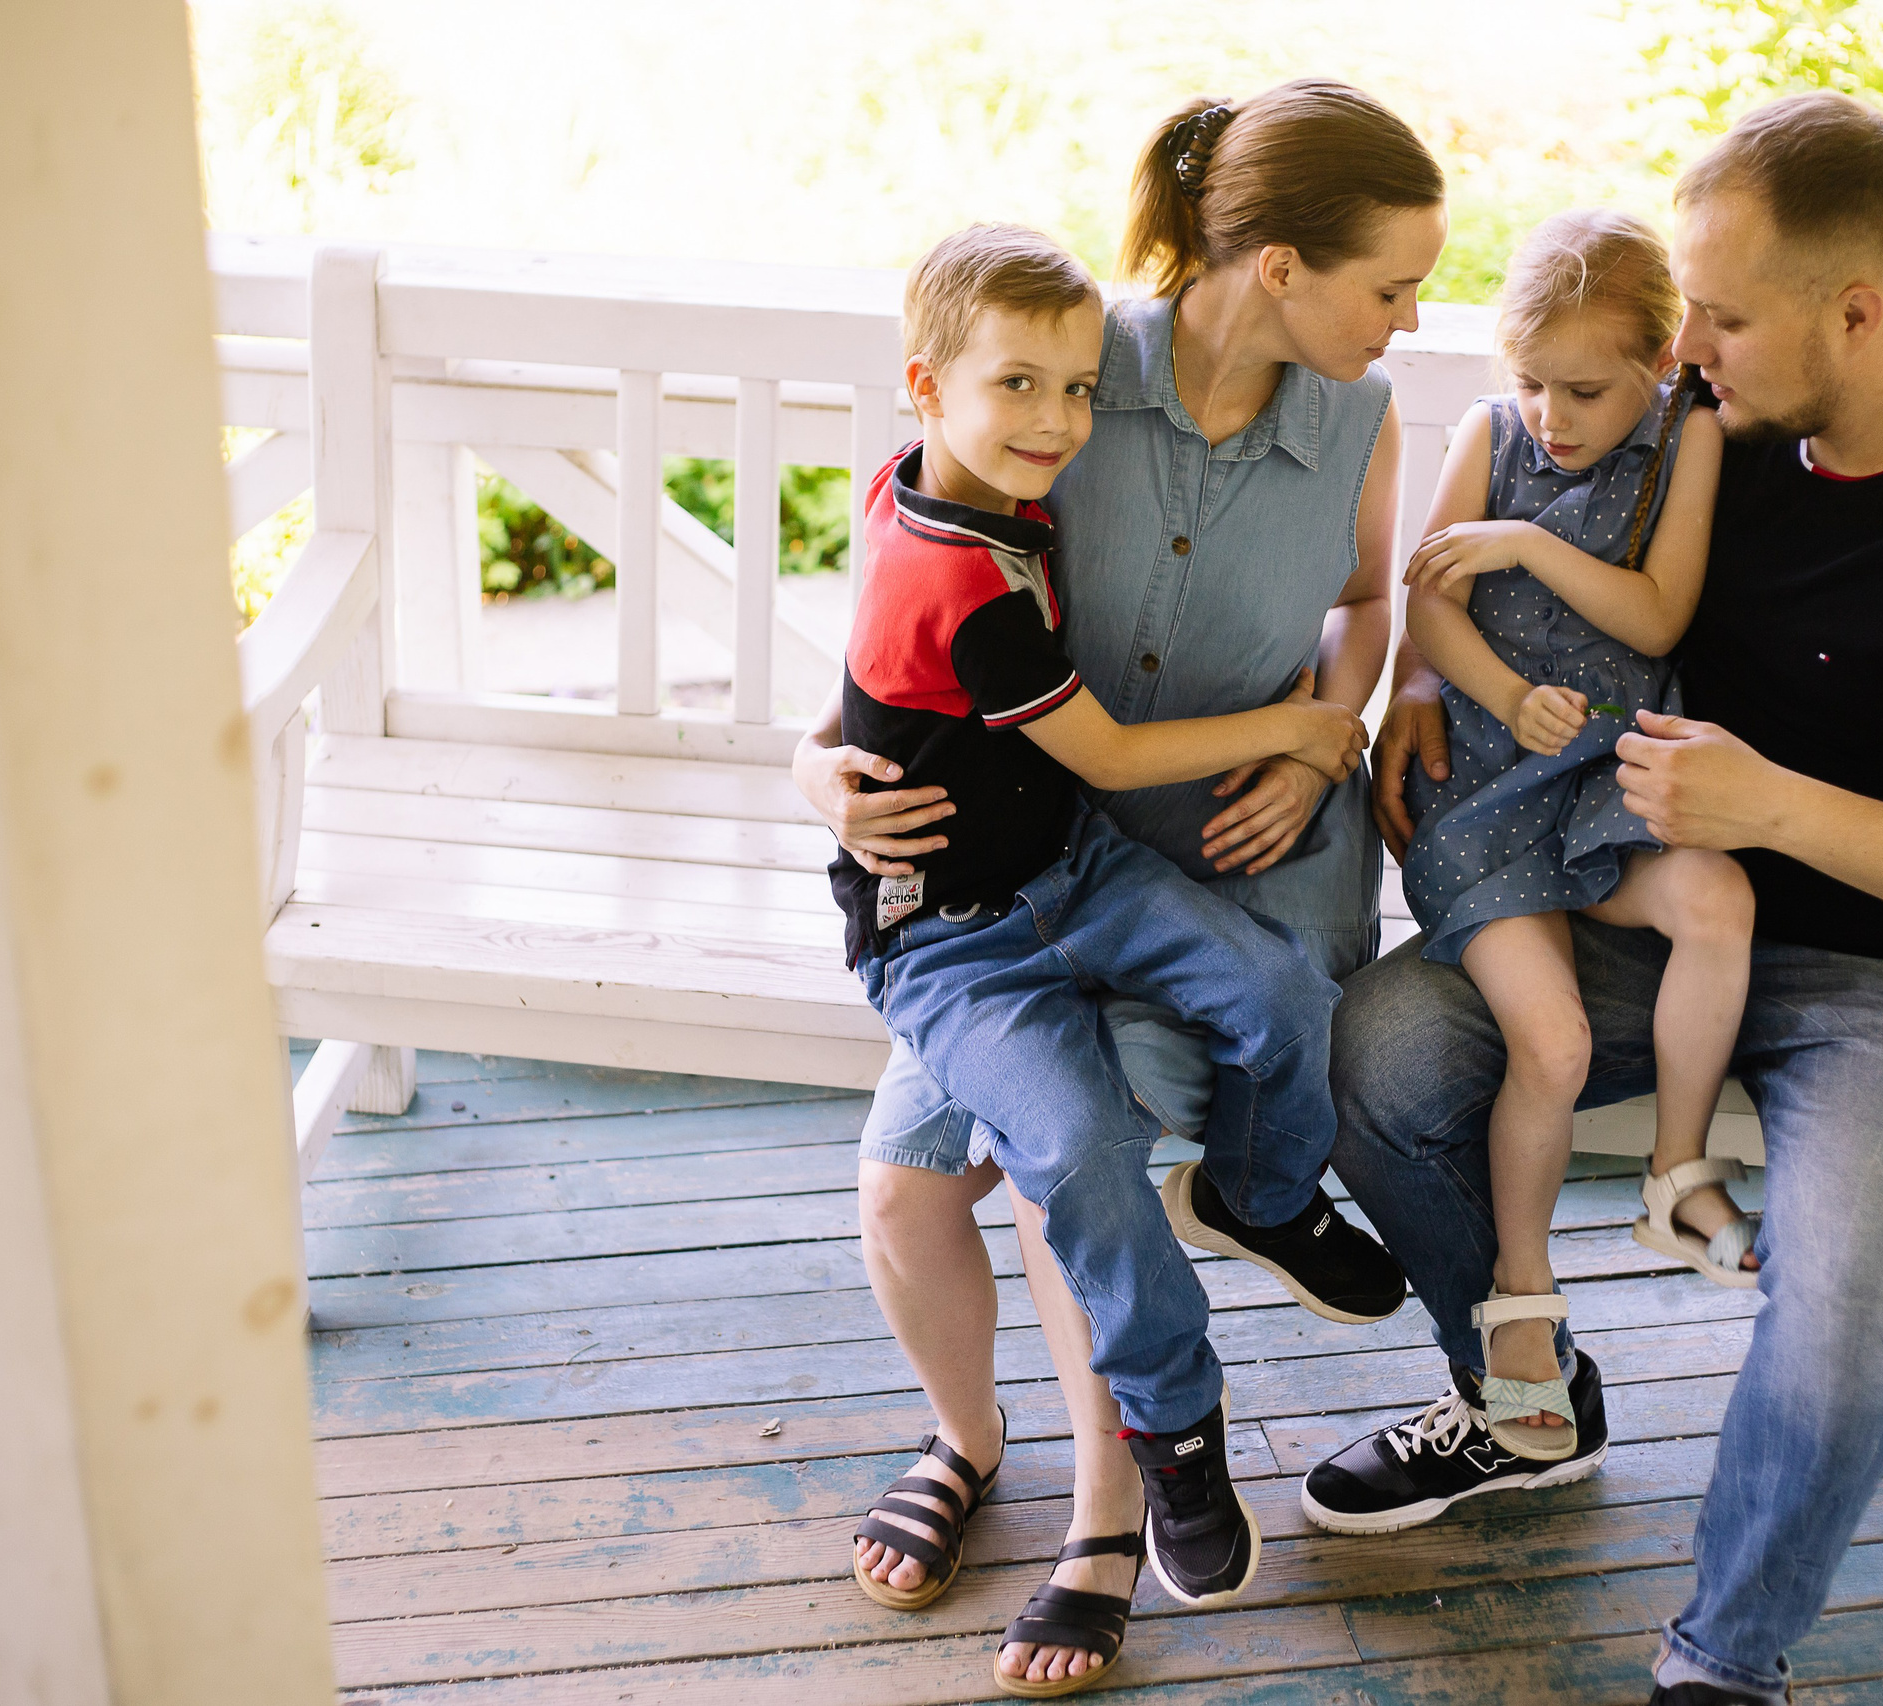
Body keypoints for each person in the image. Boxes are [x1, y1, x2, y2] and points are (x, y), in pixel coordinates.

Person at [1308, 92, 1883, 1706]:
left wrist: (1776, 807)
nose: (1692, 345)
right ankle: (1519, 1398)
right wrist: (1423, 689)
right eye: (1690, 306)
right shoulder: (1716, 427)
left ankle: (1722, 1658)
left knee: (1835, 1321)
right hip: (1638, 890)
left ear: (1858, 311)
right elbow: (1520, 503)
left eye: (1727, 315)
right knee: (1383, 1057)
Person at [793, 81, 1450, 1696]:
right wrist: (816, 766)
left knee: (1079, 1166)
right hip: (995, 880)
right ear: (1282, 265)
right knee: (904, 1189)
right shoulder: (1069, 372)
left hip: (1203, 852)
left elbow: (1364, 608)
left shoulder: (1356, 420)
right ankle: (968, 1440)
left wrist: (1324, 743)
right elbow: (908, 619)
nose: (1416, 317)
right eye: (1395, 282)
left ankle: (1113, 1508)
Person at [1386, 207, 1756, 1473]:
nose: (1549, 413)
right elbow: (1426, 610)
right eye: (1531, 380)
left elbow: (1659, 611)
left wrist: (1529, 540)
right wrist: (1496, 692)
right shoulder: (1485, 435)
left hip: (1610, 771)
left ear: (1660, 361)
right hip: (1488, 789)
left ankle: (1675, 1172)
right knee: (1550, 1038)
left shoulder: (1682, 441)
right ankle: (1522, 1288)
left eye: (1584, 388)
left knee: (1715, 900)